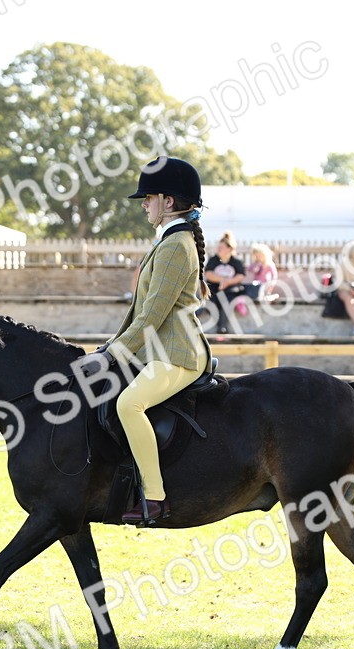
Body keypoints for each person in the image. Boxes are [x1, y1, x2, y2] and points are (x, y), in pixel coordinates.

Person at [87, 157, 212, 525]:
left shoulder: (176, 245)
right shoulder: (169, 240)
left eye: (148, 198)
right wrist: (110, 349)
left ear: (168, 202)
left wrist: (112, 356)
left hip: (178, 353)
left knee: (129, 405)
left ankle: (155, 498)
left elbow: (153, 316)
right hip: (159, 348)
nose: (143, 204)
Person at [203, 231, 246, 334]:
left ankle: (222, 328)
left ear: (229, 249)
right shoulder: (214, 260)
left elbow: (241, 275)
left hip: (231, 291)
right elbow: (208, 274)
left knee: (226, 300)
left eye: (221, 247)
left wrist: (228, 282)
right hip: (214, 290)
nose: (218, 249)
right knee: (216, 300)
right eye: (218, 247)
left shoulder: (236, 261)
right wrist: (222, 280)